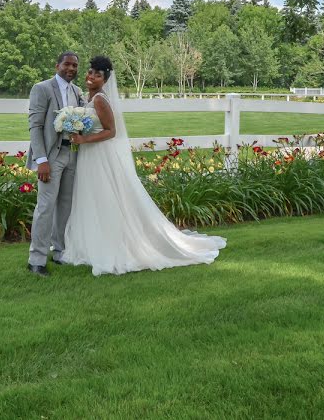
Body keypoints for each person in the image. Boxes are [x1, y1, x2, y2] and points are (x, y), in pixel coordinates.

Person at [61, 55, 227, 276]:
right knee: (92, 198)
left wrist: (84, 140)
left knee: (105, 198)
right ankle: (92, 244)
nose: (91, 77)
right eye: (90, 72)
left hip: (99, 155)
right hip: (89, 156)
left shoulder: (100, 99)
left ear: (105, 80)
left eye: (97, 75)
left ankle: (115, 246)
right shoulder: (87, 97)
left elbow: (111, 132)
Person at [25, 51, 85, 277]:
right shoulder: (42, 88)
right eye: (67, 64)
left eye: (75, 65)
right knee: (46, 207)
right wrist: (41, 160)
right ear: (57, 65)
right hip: (51, 157)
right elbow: (35, 125)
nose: (71, 68)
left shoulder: (77, 91)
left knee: (66, 206)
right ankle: (36, 260)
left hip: (73, 155)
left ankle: (60, 251)